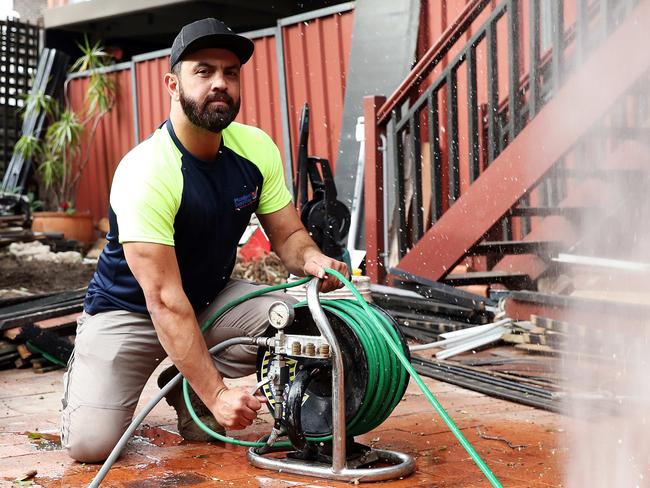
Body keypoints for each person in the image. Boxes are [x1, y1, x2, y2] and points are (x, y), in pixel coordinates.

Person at [61, 17, 349, 463]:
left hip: (210, 301)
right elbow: (162, 299)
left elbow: (289, 235)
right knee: (90, 446)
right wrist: (218, 394)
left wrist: (313, 260)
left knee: (293, 319)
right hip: (130, 312)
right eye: (204, 71)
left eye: (230, 73)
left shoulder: (255, 149)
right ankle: (182, 384)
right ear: (173, 84)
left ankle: (185, 392)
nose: (220, 83)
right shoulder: (146, 171)